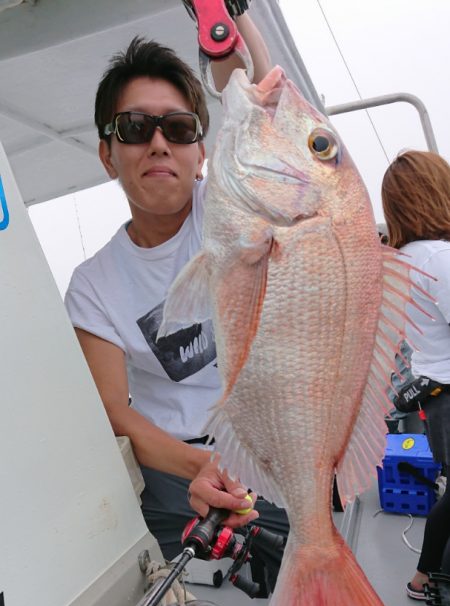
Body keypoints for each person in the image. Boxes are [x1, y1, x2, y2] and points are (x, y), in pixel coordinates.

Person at [64, 17, 290, 575]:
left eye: (180, 128)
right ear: (107, 154)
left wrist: (230, 19)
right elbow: (115, 412)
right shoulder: (93, 285)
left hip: (270, 447)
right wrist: (199, 466)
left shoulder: (233, 209)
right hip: (174, 469)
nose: (159, 143)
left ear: (203, 153)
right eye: (135, 127)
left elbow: (255, 96)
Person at [381, 149, 450, 599]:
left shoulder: (400, 261)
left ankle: (424, 577)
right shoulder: (441, 259)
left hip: (434, 396)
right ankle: (422, 578)